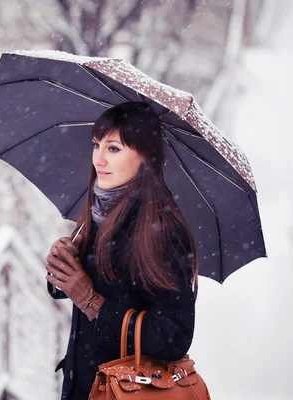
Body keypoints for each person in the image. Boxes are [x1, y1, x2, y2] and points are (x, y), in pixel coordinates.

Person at [45, 101, 199, 400]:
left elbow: (174, 336)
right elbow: (88, 285)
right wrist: (62, 265)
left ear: (145, 157)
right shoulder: (100, 212)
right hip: (85, 385)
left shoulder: (162, 231)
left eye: (113, 149)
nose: (98, 159)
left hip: (126, 391)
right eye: (96, 145)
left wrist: (93, 303)